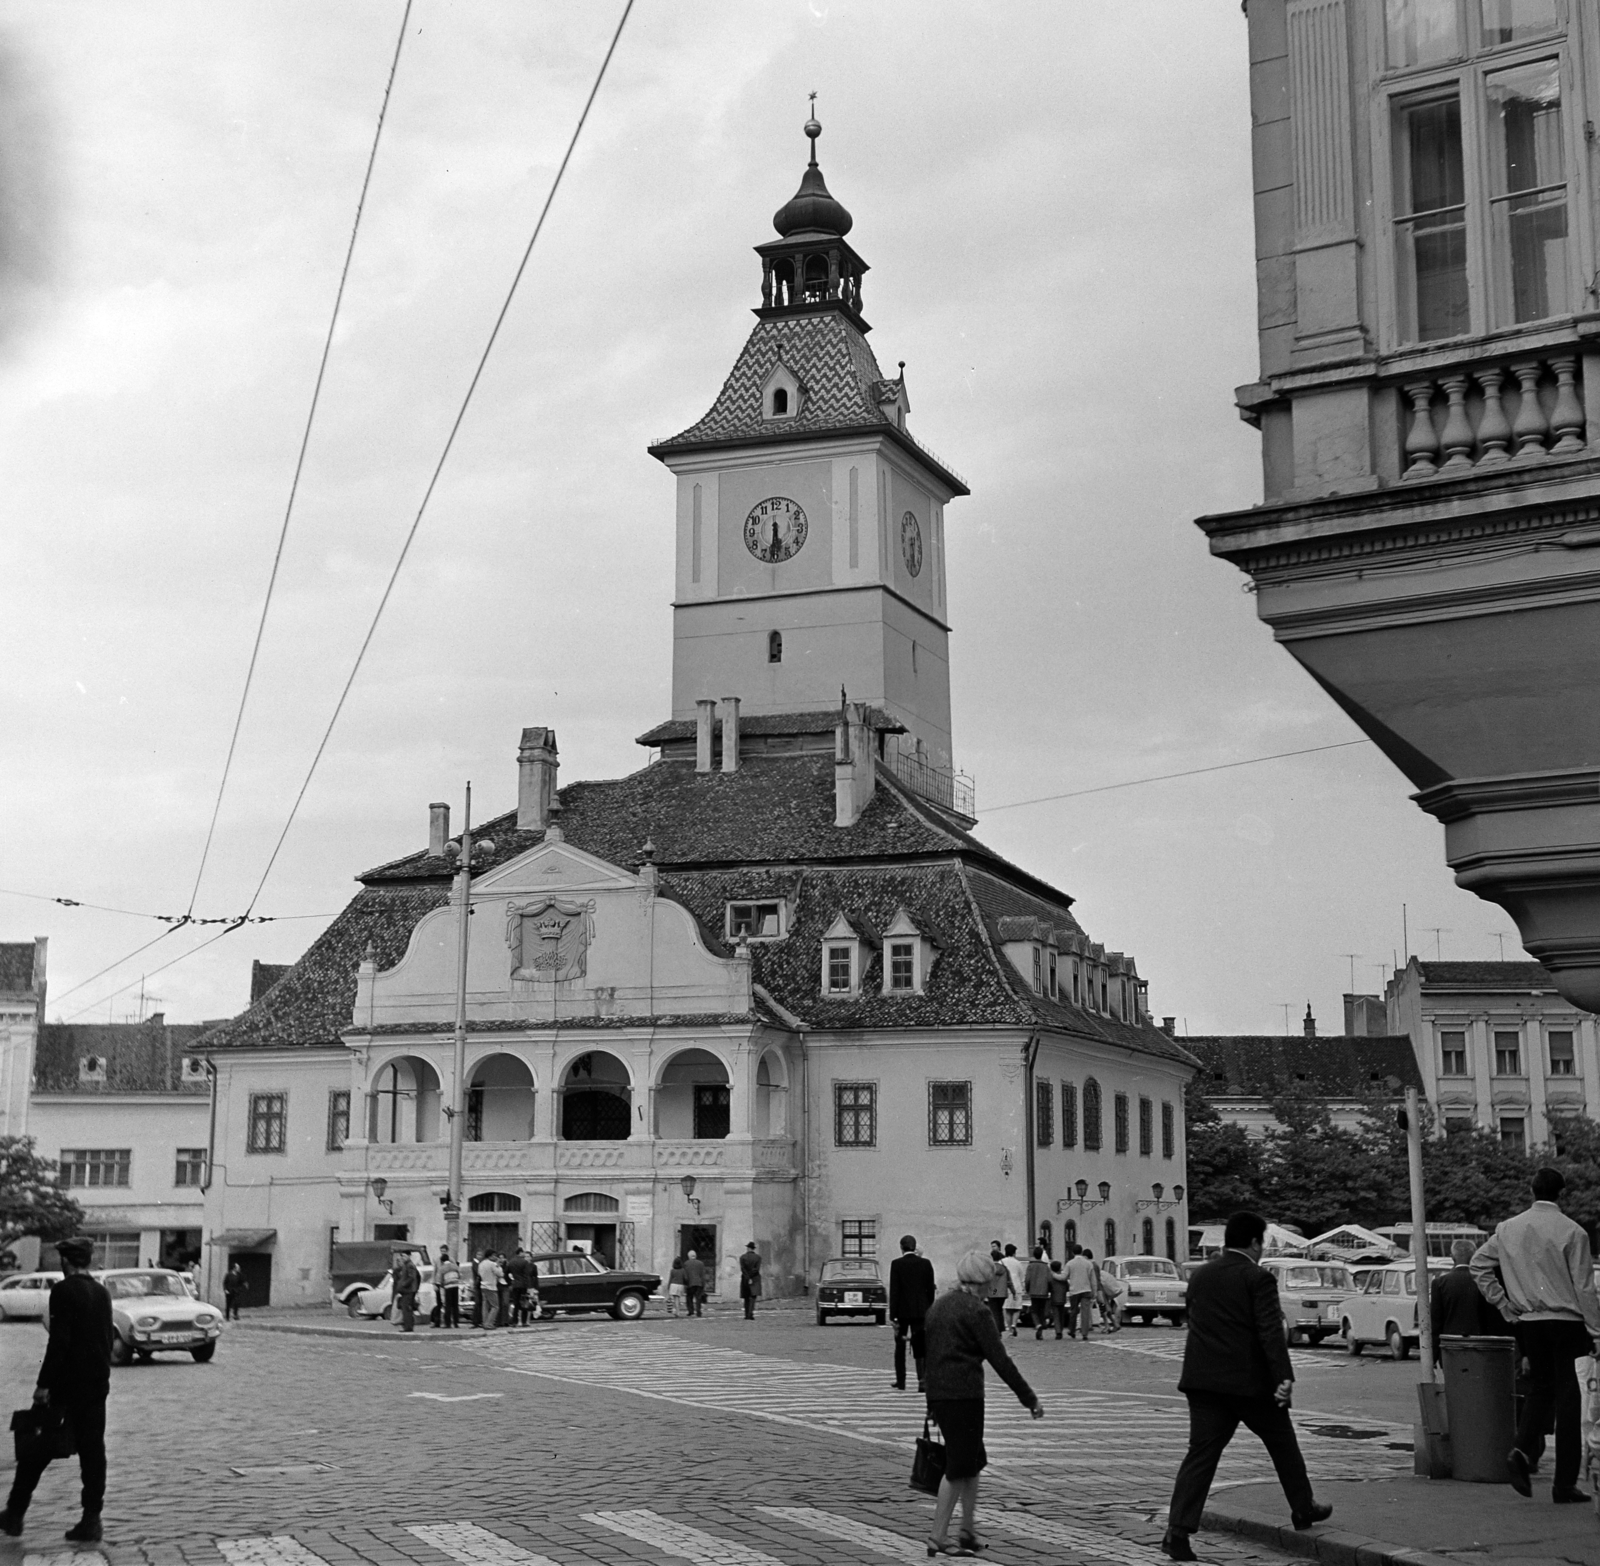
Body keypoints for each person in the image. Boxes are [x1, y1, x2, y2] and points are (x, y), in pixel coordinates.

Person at [1162, 1211, 1329, 1562]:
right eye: (1262, 1242)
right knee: (1282, 1443)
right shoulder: (1258, 1278)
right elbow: (1270, 1330)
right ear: (1255, 1243)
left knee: (1200, 1456)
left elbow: (1196, 1321)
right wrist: (1283, 1377)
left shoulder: (1201, 1276)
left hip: (1204, 1383)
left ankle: (1177, 1532)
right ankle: (1302, 1508)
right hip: (1250, 1385)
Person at [1471, 1166, 1600, 1502]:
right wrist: (1597, 1332)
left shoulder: (1507, 1229)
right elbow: (1585, 1287)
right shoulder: (1573, 1232)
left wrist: (1503, 1304)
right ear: (1561, 1193)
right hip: (1567, 1321)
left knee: (1541, 1389)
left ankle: (1521, 1449)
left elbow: (1477, 1265)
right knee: (1569, 1400)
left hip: (1530, 1321)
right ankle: (1564, 1483)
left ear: (1531, 1190)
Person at [923, 1248, 1044, 1555]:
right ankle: (938, 1535)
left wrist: (931, 1400)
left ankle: (967, 1528)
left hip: (941, 1394)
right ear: (984, 1280)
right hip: (964, 1396)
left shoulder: (939, 1306)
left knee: (973, 1461)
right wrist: (1028, 1398)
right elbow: (1000, 1360)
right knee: (958, 1466)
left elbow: (930, 1355)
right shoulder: (977, 1312)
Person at [0, 1236, 113, 1542]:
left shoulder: (63, 1291)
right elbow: (105, 1339)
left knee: (36, 1450)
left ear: (65, 1261)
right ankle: (92, 1520)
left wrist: (43, 1385)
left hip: (68, 1388)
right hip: (97, 1386)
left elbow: (59, 1343)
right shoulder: (101, 1292)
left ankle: (14, 1513)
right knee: (93, 1453)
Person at [1431, 1237, 1506, 1360]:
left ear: (1452, 1257)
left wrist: (1433, 1356)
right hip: (1482, 1345)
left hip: (1451, 1347)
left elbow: (1436, 1321)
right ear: (1474, 1255)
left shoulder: (1440, 1283)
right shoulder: (1485, 1281)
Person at [889, 1234, 936, 1391]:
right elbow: (930, 1289)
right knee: (921, 1346)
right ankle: (922, 1380)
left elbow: (894, 1291)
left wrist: (892, 1315)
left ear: (901, 1248)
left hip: (902, 1312)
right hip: (921, 1311)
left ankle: (901, 1381)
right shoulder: (925, 1263)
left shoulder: (896, 1264)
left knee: (900, 1347)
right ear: (914, 1247)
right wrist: (929, 1307)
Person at [1065, 1246, 1096, 1339]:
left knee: (1073, 1311)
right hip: (1086, 1290)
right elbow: (1093, 1280)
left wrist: (1055, 1275)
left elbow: (1064, 1276)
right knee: (1085, 1312)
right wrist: (1094, 1292)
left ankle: (1072, 1330)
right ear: (1082, 1252)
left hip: (1074, 1290)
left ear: (1072, 1253)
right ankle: (1085, 1333)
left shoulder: (1070, 1264)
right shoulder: (1088, 1264)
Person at [1024, 1246, 1053, 1341]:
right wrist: (1049, 1290)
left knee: (1034, 1310)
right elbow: (1049, 1280)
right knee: (1041, 1311)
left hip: (1034, 1291)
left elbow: (1027, 1279)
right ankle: (1041, 1330)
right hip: (1044, 1292)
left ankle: (1038, 1325)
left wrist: (1027, 1289)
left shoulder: (1030, 1266)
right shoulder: (1046, 1267)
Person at [391, 1248, 420, 1332]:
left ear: (408, 1256)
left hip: (408, 1290)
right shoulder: (406, 1265)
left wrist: (403, 1285)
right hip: (406, 1290)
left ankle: (408, 1327)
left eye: (404, 1256)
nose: (402, 1257)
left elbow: (411, 1277)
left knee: (406, 1309)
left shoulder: (410, 1265)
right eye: (402, 1256)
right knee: (405, 1308)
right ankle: (407, 1326)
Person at [1000, 1244, 1025, 1336]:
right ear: (1014, 1252)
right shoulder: (1018, 1263)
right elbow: (1021, 1277)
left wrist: (994, 1291)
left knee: (1007, 1308)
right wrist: (1023, 1287)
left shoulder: (1001, 1262)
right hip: (1017, 1286)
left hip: (1005, 1288)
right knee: (1017, 1308)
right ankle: (1014, 1324)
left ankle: (1010, 1328)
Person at [985, 1242, 1008, 1332]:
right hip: (1002, 1292)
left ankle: (997, 1329)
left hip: (993, 1291)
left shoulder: (989, 1268)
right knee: (999, 1310)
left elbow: (986, 1280)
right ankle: (1001, 1327)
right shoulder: (1004, 1268)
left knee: (994, 1311)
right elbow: (1008, 1280)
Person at [507, 1248, 534, 1326]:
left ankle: (514, 1322)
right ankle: (524, 1321)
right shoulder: (524, 1262)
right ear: (520, 1253)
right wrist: (529, 1286)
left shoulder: (511, 1262)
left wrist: (510, 1281)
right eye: (523, 1253)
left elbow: (506, 1273)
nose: (524, 1255)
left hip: (515, 1285)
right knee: (524, 1303)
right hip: (523, 1285)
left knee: (516, 1303)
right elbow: (527, 1275)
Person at [435, 1248, 461, 1329]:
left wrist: (439, 1286)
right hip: (456, 1286)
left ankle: (448, 1323)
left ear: (442, 1261)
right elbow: (460, 1275)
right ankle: (456, 1323)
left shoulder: (442, 1268)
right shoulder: (454, 1266)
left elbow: (439, 1280)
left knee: (448, 1305)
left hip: (448, 1287)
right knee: (455, 1305)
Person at [1046, 1259, 1070, 1340]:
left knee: (1056, 1315)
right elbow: (1067, 1287)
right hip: (1062, 1298)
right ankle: (1061, 1329)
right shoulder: (1063, 1278)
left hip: (1054, 1298)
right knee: (1061, 1315)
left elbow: (1049, 1287)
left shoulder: (1051, 1278)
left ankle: (1058, 1331)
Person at [476, 1250, 500, 1329]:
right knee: (495, 1306)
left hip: (483, 1286)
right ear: (490, 1256)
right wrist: (498, 1265)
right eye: (494, 1255)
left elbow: (479, 1273)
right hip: (491, 1287)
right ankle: (489, 1323)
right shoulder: (492, 1264)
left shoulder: (481, 1264)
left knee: (485, 1306)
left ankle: (484, 1322)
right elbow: (500, 1274)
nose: (495, 1257)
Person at [739, 1241, 762, 1320]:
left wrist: (747, 1277)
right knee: (753, 1297)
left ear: (748, 1248)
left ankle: (746, 1314)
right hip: (755, 1278)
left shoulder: (743, 1257)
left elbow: (743, 1269)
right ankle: (750, 1313)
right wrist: (751, 1277)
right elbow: (756, 1269)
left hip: (745, 1278)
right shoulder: (758, 1258)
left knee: (746, 1297)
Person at [682, 1250, 707, 1317]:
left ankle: (691, 1311)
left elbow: (685, 1275)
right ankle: (698, 1312)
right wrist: (703, 1284)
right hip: (699, 1283)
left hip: (690, 1283)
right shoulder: (701, 1263)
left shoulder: (686, 1263)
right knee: (698, 1298)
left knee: (689, 1297)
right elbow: (702, 1275)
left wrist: (685, 1283)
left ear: (689, 1256)